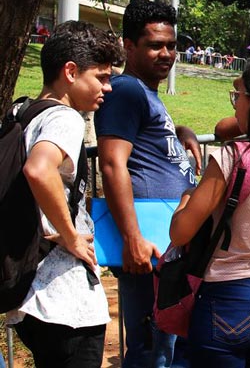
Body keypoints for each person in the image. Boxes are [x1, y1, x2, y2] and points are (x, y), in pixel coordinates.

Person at [169, 60, 250, 366]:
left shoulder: (231, 156)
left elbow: (180, 232)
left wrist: (186, 198)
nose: (235, 105)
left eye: (237, 96)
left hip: (227, 299)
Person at [6, 22, 123, 367]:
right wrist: (71, 237)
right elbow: (38, 170)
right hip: (63, 301)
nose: (108, 87)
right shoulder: (65, 119)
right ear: (70, 72)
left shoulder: (23, 111)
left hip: (30, 296)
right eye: (101, 77)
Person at [95, 0, 202, 368]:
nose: (167, 54)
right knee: (150, 350)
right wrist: (132, 238)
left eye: (171, 45)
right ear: (128, 46)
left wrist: (181, 131)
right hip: (148, 246)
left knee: (167, 346)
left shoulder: (146, 93)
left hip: (168, 243)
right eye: (155, 45)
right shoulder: (125, 90)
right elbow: (112, 165)